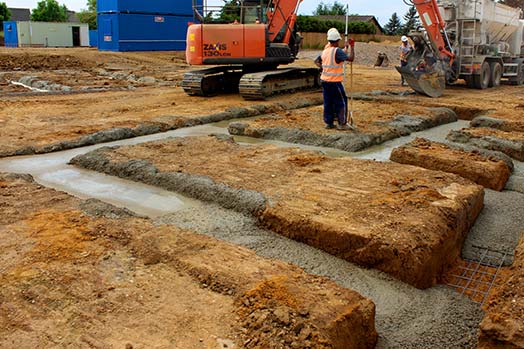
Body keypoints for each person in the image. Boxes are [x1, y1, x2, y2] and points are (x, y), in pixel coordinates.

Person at [314, 28, 355, 130]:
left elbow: (317, 61)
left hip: (324, 81)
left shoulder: (325, 51)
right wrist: (352, 47)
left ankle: (329, 122)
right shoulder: (337, 51)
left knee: (328, 101)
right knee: (341, 101)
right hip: (334, 82)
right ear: (337, 40)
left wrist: (323, 68)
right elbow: (351, 58)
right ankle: (342, 123)